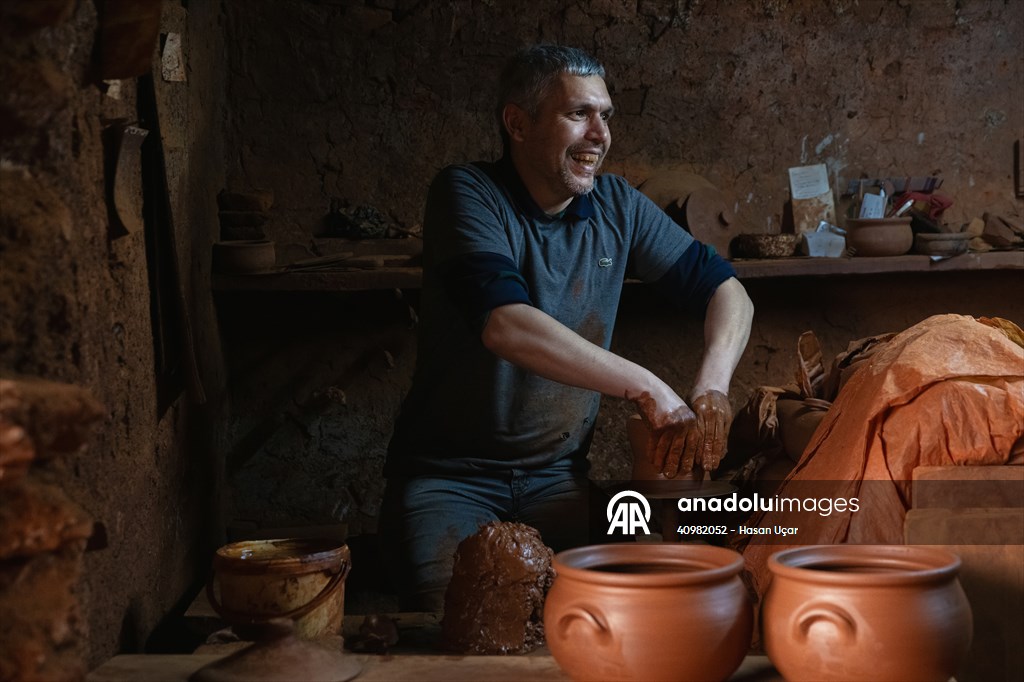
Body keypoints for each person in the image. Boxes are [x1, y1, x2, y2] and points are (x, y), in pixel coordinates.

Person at [379, 44, 754, 611]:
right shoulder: (467, 194)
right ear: (518, 124)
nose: (600, 134)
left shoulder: (617, 206)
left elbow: (729, 292)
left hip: (555, 478)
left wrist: (713, 386)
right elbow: (507, 326)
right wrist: (647, 385)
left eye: (606, 116)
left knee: (616, 604)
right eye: (579, 114)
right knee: (459, 623)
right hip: (450, 479)